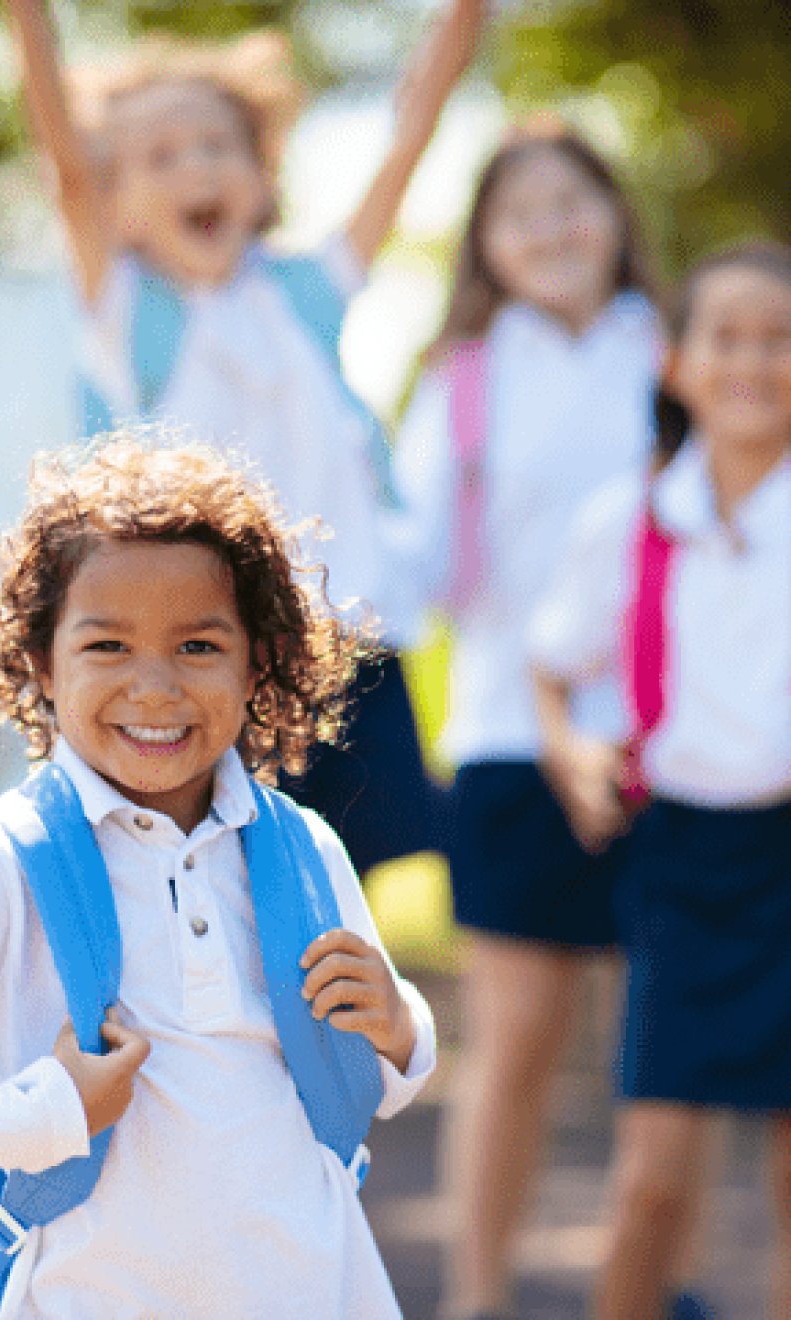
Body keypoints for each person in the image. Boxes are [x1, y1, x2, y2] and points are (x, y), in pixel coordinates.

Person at [0, 432, 437, 1319]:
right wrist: (41, 1116)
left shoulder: (304, 850)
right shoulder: (7, 860)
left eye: (197, 647)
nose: (154, 688)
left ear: (257, 661)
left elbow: (385, 1076)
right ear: (41, 662)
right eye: (108, 646)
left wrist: (402, 1027)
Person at [2, 0, 486, 877]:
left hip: (343, 643)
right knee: (216, 881)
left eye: (216, 146)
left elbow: (407, 144)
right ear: (117, 202)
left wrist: (458, 32)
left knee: (340, 880)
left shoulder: (307, 293)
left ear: (262, 179)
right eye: (159, 156)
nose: (195, 167)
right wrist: (27, 20)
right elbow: (66, 164)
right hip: (201, 661)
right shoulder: (126, 308)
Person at [384, 121, 673, 1320]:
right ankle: (480, 1300)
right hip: (510, 737)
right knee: (520, 1045)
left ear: (614, 214)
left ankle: (655, 1292)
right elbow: (417, 578)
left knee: (674, 1063)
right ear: (487, 250)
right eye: (521, 213)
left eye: (574, 200)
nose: (553, 228)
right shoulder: (462, 380)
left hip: (683, 747)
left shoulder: (676, 352)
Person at [530, 240, 791, 1320]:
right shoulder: (631, 523)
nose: (754, 360)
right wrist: (572, 749)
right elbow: (550, 670)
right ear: (680, 364)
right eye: (727, 336)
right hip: (681, 862)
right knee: (650, 1183)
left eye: (780, 339)